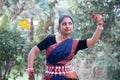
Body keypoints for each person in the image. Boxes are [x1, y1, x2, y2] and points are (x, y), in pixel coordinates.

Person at [26, 13, 104, 80]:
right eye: (64, 24)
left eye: (70, 24)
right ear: (59, 26)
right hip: (51, 77)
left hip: (69, 77)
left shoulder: (75, 43)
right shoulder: (50, 39)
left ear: (73, 26)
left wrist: (100, 25)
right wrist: (30, 67)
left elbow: (92, 41)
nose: (67, 26)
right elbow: (33, 51)